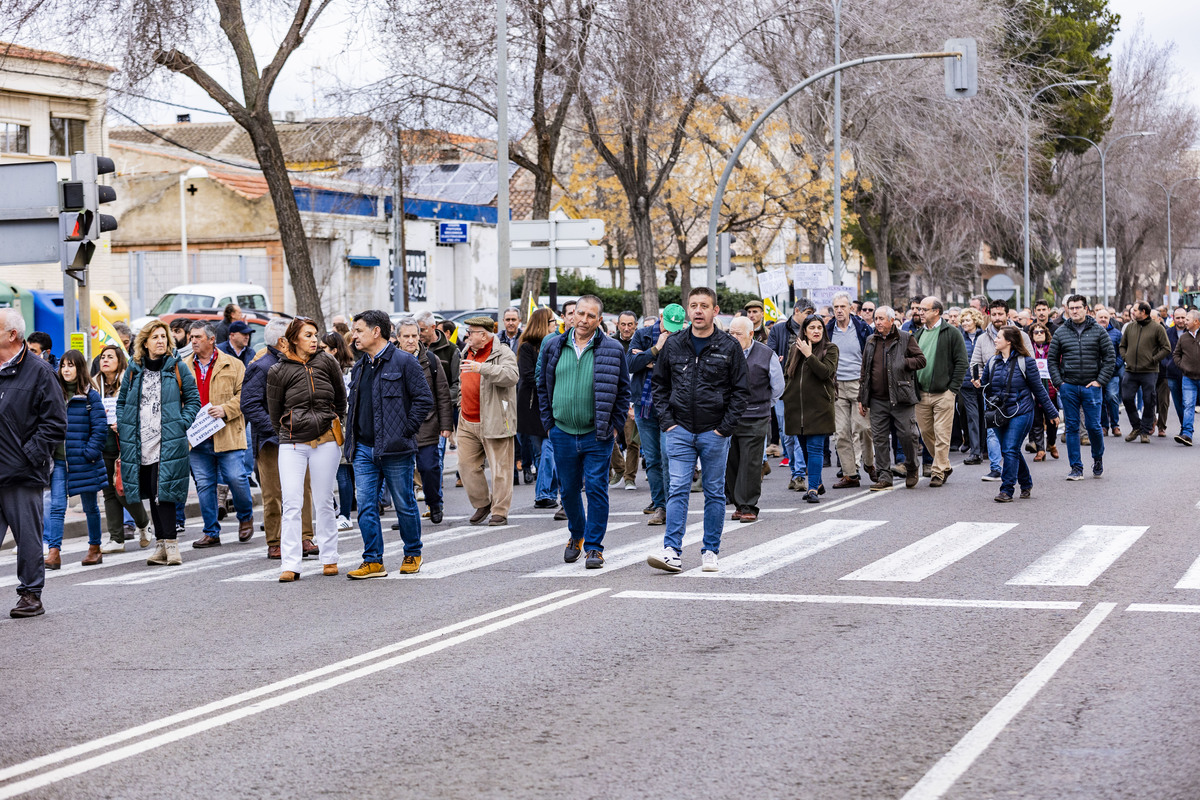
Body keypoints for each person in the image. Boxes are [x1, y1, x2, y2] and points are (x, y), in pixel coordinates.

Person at [647, 288, 749, 573]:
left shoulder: (729, 346)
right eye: (693, 305)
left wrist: (724, 428)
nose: (698, 311)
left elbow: (741, 391)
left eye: (704, 306)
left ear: (715, 311)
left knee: (714, 492)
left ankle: (710, 551)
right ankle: (672, 551)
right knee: (677, 489)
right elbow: (659, 385)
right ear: (687, 310)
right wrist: (667, 421)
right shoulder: (674, 343)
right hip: (678, 429)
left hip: (713, 431)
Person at [537, 295, 630, 568]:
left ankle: (594, 547)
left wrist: (613, 426)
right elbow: (543, 386)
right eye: (580, 314)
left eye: (591, 316)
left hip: (596, 433)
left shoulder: (613, 349)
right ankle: (576, 534)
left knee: (597, 489)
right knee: (567, 491)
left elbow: (623, 391)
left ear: (599, 320)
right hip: (562, 432)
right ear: (572, 315)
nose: (584, 320)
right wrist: (549, 425)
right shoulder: (554, 345)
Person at [342, 311, 433, 579]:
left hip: (396, 449)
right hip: (363, 448)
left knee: (404, 503)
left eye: (358, 330)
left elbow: (423, 400)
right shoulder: (359, 366)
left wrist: (405, 431)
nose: (354, 335)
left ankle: (413, 553)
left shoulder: (404, 362)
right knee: (367, 505)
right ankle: (373, 560)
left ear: (376, 332)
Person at [266, 317, 347, 582]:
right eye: (308, 335)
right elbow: (274, 411)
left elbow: (340, 398)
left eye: (315, 335)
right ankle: (291, 564)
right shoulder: (277, 371)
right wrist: (290, 426)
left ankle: (329, 558)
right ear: (294, 339)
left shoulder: (327, 361)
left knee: (323, 499)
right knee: (291, 501)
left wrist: (333, 420)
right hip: (292, 442)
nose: (314, 340)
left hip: (325, 439)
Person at [117, 320, 202, 567]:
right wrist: (124, 425)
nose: (161, 341)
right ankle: (161, 546)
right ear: (145, 342)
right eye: (155, 337)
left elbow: (193, 399)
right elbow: (122, 402)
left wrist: (180, 423)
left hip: (168, 441)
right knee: (152, 494)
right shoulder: (134, 370)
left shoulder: (176, 367)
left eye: (163, 337)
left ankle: (172, 547)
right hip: (140, 442)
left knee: (163, 494)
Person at [0, 310, 66, 617]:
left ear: (12, 334)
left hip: (23, 472)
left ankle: (30, 594)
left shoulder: (40, 372)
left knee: (27, 536)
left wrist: (29, 455)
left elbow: (55, 422)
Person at [242, 318, 315, 559]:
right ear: (282, 341)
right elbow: (250, 405)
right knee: (273, 493)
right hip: (271, 442)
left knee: (302, 490)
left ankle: (305, 538)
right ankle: (275, 541)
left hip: (299, 437)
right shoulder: (260, 366)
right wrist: (276, 429)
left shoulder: (300, 363)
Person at [184, 323, 255, 548]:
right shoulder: (184, 367)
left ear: (211, 339)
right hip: (197, 438)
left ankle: (245, 517)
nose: (193, 341)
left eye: (198, 337)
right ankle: (211, 531)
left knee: (236, 478)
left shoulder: (233, 364)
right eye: (191, 337)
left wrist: (226, 410)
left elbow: (246, 395)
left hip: (227, 434)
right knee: (205, 485)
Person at [41, 351, 107, 568]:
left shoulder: (91, 396)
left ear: (80, 368)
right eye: (62, 366)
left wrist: (88, 453)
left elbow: (100, 430)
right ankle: (54, 552)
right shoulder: (54, 394)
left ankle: (95, 548)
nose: (66, 370)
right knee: (57, 506)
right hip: (59, 461)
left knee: (90, 506)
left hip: (84, 461)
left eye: (71, 365)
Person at [983, 328, 1060, 502]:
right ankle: (1026, 483)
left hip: (1021, 411)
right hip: (999, 414)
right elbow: (986, 388)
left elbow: (1038, 389)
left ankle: (1006, 490)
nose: (995, 340)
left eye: (999, 337)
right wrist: (979, 383)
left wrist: (1051, 411)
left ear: (1009, 341)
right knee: (1010, 450)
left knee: (1010, 448)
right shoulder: (992, 362)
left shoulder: (1026, 362)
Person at [457, 316, 520, 526]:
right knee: (466, 466)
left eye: (471, 332)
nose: (467, 335)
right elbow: (462, 380)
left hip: (495, 419)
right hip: (467, 420)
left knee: (500, 469)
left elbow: (511, 376)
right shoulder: (466, 351)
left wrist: (482, 368)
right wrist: (460, 401)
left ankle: (499, 511)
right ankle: (483, 503)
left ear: (483, 335)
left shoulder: (503, 352)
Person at [628, 304, 686, 526]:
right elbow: (630, 363)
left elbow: (683, 368)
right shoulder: (642, 335)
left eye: (675, 328)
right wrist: (654, 350)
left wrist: (651, 363)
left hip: (671, 409)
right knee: (652, 459)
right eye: (667, 326)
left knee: (668, 455)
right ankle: (659, 505)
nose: (671, 332)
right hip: (644, 407)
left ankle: (672, 506)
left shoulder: (684, 336)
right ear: (661, 318)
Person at [1046, 295, 1115, 480]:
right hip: (1069, 386)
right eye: (1071, 308)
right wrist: (1059, 383)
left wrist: (1100, 381)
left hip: (1091, 386)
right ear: (1067, 309)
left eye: (1078, 307)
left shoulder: (1098, 331)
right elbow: (1051, 359)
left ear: (1086, 309)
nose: (1075, 311)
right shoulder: (1061, 332)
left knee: (1093, 426)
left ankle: (1097, 457)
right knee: (1072, 427)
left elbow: (1110, 358)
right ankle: (1076, 467)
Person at [858, 306, 924, 491]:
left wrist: (904, 362)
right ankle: (884, 476)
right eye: (875, 318)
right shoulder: (871, 340)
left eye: (881, 318)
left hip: (901, 397)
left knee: (908, 435)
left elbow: (921, 360)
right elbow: (865, 371)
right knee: (879, 438)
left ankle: (911, 468)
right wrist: (862, 399)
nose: (877, 322)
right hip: (877, 399)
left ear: (891, 320)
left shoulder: (905, 338)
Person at [94, 344, 152, 552]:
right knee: (108, 491)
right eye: (102, 357)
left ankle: (143, 523)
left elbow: (142, 410)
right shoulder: (94, 385)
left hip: (125, 443)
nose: (105, 360)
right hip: (102, 444)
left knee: (123, 490)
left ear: (120, 361)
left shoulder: (129, 382)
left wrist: (125, 423)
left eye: (110, 357)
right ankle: (116, 539)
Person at [726, 317, 784, 520]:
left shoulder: (767, 354)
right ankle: (738, 504)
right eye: (730, 333)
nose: (733, 337)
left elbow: (777, 387)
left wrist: (764, 406)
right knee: (731, 461)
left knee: (750, 462)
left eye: (738, 334)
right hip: (729, 416)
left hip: (756, 416)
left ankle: (749, 506)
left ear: (751, 334)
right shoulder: (723, 352)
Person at [396, 318, 453, 523]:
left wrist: (446, 425)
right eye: (406, 336)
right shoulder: (390, 359)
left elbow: (443, 394)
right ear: (398, 338)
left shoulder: (430, 359)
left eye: (414, 335)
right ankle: (406, 514)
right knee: (402, 475)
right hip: (398, 427)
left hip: (427, 423)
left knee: (429, 467)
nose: (411, 340)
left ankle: (435, 502)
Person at [970, 299, 1033, 481]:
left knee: (1010, 445)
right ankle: (996, 467)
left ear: (1007, 314)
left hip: (1017, 397)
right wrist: (980, 380)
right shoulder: (983, 338)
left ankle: (1017, 481)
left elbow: (1030, 364)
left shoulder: (1021, 335)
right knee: (993, 433)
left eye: (1000, 314)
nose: (997, 318)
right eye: (994, 314)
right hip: (992, 396)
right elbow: (976, 363)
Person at [782, 315, 839, 503]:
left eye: (819, 328)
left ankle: (813, 488)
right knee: (805, 449)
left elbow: (825, 373)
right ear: (804, 331)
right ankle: (819, 482)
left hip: (819, 408)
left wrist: (809, 354)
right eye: (812, 327)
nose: (816, 331)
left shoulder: (831, 349)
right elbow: (787, 375)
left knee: (815, 449)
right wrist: (787, 395)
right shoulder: (794, 349)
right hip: (796, 408)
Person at [913, 297, 968, 487]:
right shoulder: (918, 334)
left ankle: (937, 472)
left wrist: (952, 390)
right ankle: (944, 464)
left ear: (936, 311)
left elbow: (962, 362)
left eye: (924, 309)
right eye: (920, 309)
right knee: (927, 432)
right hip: (921, 394)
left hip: (943, 393)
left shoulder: (951, 333)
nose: (920, 312)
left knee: (942, 433)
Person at [827, 291, 874, 488]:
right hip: (837, 386)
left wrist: (868, 384)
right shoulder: (828, 329)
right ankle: (850, 474)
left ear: (850, 309)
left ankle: (870, 464)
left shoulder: (862, 328)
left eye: (842, 307)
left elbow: (871, 356)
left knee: (863, 428)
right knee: (841, 432)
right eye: (836, 307)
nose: (839, 310)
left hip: (858, 383)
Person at [517, 309, 559, 509]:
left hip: (548, 404)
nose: (556, 325)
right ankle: (544, 493)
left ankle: (546, 493)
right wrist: (552, 383)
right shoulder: (527, 347)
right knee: (546, 448)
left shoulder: (555, 343)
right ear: (544, 323)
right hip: (533, 405)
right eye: (553, 321)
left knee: (546, 450)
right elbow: (527, 375)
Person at [767, 301, 809, 491]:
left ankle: (800, 474)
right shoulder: (778, 330)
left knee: (799, 431)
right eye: (807, 313)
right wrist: (777, 359)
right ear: (797, 311)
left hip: (803, 388)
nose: (809, 318)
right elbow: (770, 353)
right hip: (783, 388)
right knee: (787, 434)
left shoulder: (811, 329)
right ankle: (794, 470)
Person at [1119, 301, 1171, 444]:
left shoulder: (1157, 328)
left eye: (1135, 310)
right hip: (1130, 370)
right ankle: (1136, 426)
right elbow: (1122, 346)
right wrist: (1126, 357)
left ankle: (1145, 431)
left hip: (1149, 371)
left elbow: (1166, 348)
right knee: (1127, 398)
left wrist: (1153, 360)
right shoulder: (1130, 327)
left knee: (1149, 400)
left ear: (1143, 312)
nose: (1133, 312)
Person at [417, 311, 461, 471]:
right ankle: (436, 480)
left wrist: (442, 398)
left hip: (449, 405)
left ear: (433, 327)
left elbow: (457, 381)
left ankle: (458, 475)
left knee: (448, 444)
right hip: (425, 409)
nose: (419, 334)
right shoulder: (415, 349)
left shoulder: (451, 350)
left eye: (422, 329)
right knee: (433, 450)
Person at [322, 332, 356, 530]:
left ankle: (345, 514)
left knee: (343, 470)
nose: (319, 350)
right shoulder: (320, 367)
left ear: (334, 350)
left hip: (341, 424)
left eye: (324, 348)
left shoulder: (348, 371)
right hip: (324, 424)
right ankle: (336, 508)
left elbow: (348, 400)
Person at [609, 310, 641, 490]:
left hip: (633, 397)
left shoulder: (641, 341)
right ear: (618, 325)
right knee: (607, 435)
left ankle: (630, 477)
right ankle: (620, 468)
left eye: (630, 324)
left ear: (635, 325)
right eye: (623, 324)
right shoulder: (611, 342)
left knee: (632, 441)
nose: (626, 328)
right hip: (613, 396)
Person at [958, 308, 986, 466]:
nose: (965, 323)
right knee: (972, 417)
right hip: (966, 384)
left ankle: (982, 448)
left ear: (976, 320)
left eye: (967, 320)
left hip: (983, 383)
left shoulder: (985, 337)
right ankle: (975, 452)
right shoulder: (959, 338)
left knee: (983, 416)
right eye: (963, 321)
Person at [1027, 323, 1059, 461]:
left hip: (1051, 390)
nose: (1039, 334)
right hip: (1034, 391)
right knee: (1037, 421)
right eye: (1036, 332)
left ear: (1046, 334)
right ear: (1032, 336)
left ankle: (1051, 443)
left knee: (1052, 421)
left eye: (1041, 332)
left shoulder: (1053, 349)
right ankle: (1040, 450)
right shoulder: (1028, 350)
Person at [1172, 309, 1200, 446]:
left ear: (1196, 321)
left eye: (1187, 319)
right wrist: (1183, 366)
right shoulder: (1183, 338)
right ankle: (1187, 434)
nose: (1185, 322)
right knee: (1188, 405)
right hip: (1188, 378)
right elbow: (1175, 355)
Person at [1096, 306, 1123, 437]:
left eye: (1105, 317)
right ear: (1096, 319)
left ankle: (1115, 425)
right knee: (1099, 400)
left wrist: (1115, 365)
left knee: (1112, 397)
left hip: (1112, 373)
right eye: (1100, 317)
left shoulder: (1117, 334)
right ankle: (1103, 426)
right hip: (1096, 374)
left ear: (1109, 319)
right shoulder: (1092, 333)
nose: (1103, 319)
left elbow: (1122, 353)